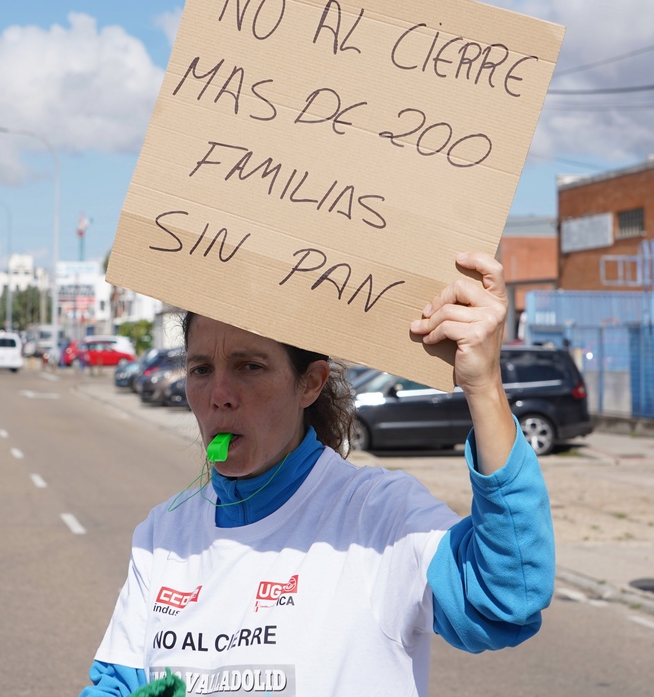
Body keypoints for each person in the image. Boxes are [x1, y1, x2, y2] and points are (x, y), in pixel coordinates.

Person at [80, 252, 553, 697]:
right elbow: (113, 683)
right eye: (201, 369)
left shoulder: (380, 515)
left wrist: (484, 385)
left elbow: (505, 599)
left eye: (249, 366)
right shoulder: (162, 535)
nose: (219, 394)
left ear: (310, 383)